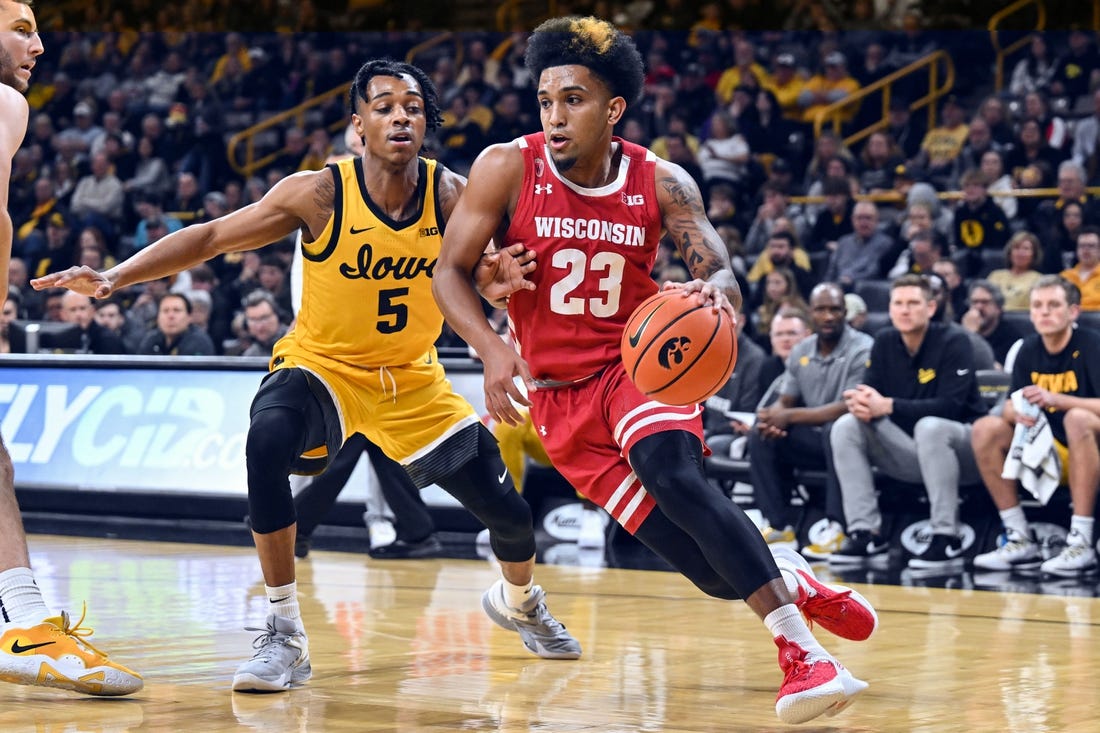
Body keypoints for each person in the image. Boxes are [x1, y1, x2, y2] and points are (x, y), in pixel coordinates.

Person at [33, 59, 582, 692]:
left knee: (511, 518)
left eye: (412, 107)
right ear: (358, 125)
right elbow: (213, 236)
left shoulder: (451, 194)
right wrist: (114, 277)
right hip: (323, 368)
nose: (400, 115)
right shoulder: (320, 193)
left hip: (413, 382)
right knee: (266, 442)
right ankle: (284, 631)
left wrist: (496, 286)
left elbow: (476, 275)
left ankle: (520, 604)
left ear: (426, 124)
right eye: (383, 106)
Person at [433, 17, 873, 724]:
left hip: (637, 363)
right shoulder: (505, 165)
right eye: (545, 100)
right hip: (557, 398)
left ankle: (806, 657)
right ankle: (790, 576)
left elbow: (722, 270)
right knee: (706, 568)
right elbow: (448, 274)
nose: (554, 115)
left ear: (613, 109)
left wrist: (715, 297)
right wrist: (490, 346)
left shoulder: (662, 180)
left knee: (674, 473)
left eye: (572, 99)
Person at [0, 0, 141, 696]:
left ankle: (23, 618)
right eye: (21, 29)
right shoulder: (3, 102)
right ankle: (23, 622)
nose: (40, 45)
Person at [829, 274, 988, 571]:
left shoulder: (956, 341)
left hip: (966, 452)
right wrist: (861, 404)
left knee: (931, 426)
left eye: (913, 303)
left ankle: (946, 535)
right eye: (898, 303)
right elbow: (868, 392)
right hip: (910, 451)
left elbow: (952, 407)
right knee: (847, 425)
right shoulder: (885, 341)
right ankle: (866, 533)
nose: (904, 310)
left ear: (930, 307)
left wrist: (887, 405)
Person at [971, 276, 1100, 577]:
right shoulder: (1026, 349)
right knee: (985, 428)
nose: (1044, 312)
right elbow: (1008, 404)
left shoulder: (1092, 345)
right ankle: (1018, 537)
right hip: (1049, 449)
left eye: (1054, 305)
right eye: (1038, 306)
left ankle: (1081, 542)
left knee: (1077, 418)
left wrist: (1057, 399)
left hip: (1090, 447)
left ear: (1073, 312)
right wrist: (1013, 412)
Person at [749, 283, 873, 560]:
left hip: (854, 436)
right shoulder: (801, 349)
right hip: (812, 438)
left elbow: (848, 406)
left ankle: (837, 526)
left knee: (837, 430)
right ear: (811, 314)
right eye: (821, 310)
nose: (828, 316)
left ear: (845, 313)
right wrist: (774, 419)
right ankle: (779, 525)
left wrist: (787, 416)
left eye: (835, 309)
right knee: (760, 435)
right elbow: (787, 398)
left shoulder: (863, 348)